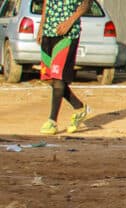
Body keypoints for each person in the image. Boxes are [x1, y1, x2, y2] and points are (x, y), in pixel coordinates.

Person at [36, 0, 92, 135]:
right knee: (48, 77)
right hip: (48, 32)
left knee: (58, 77)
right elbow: (45, 3)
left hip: (68, 34)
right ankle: (79, 108)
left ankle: (52, 121)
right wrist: (41, 28)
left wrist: (70, 22)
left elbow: (87, 4)